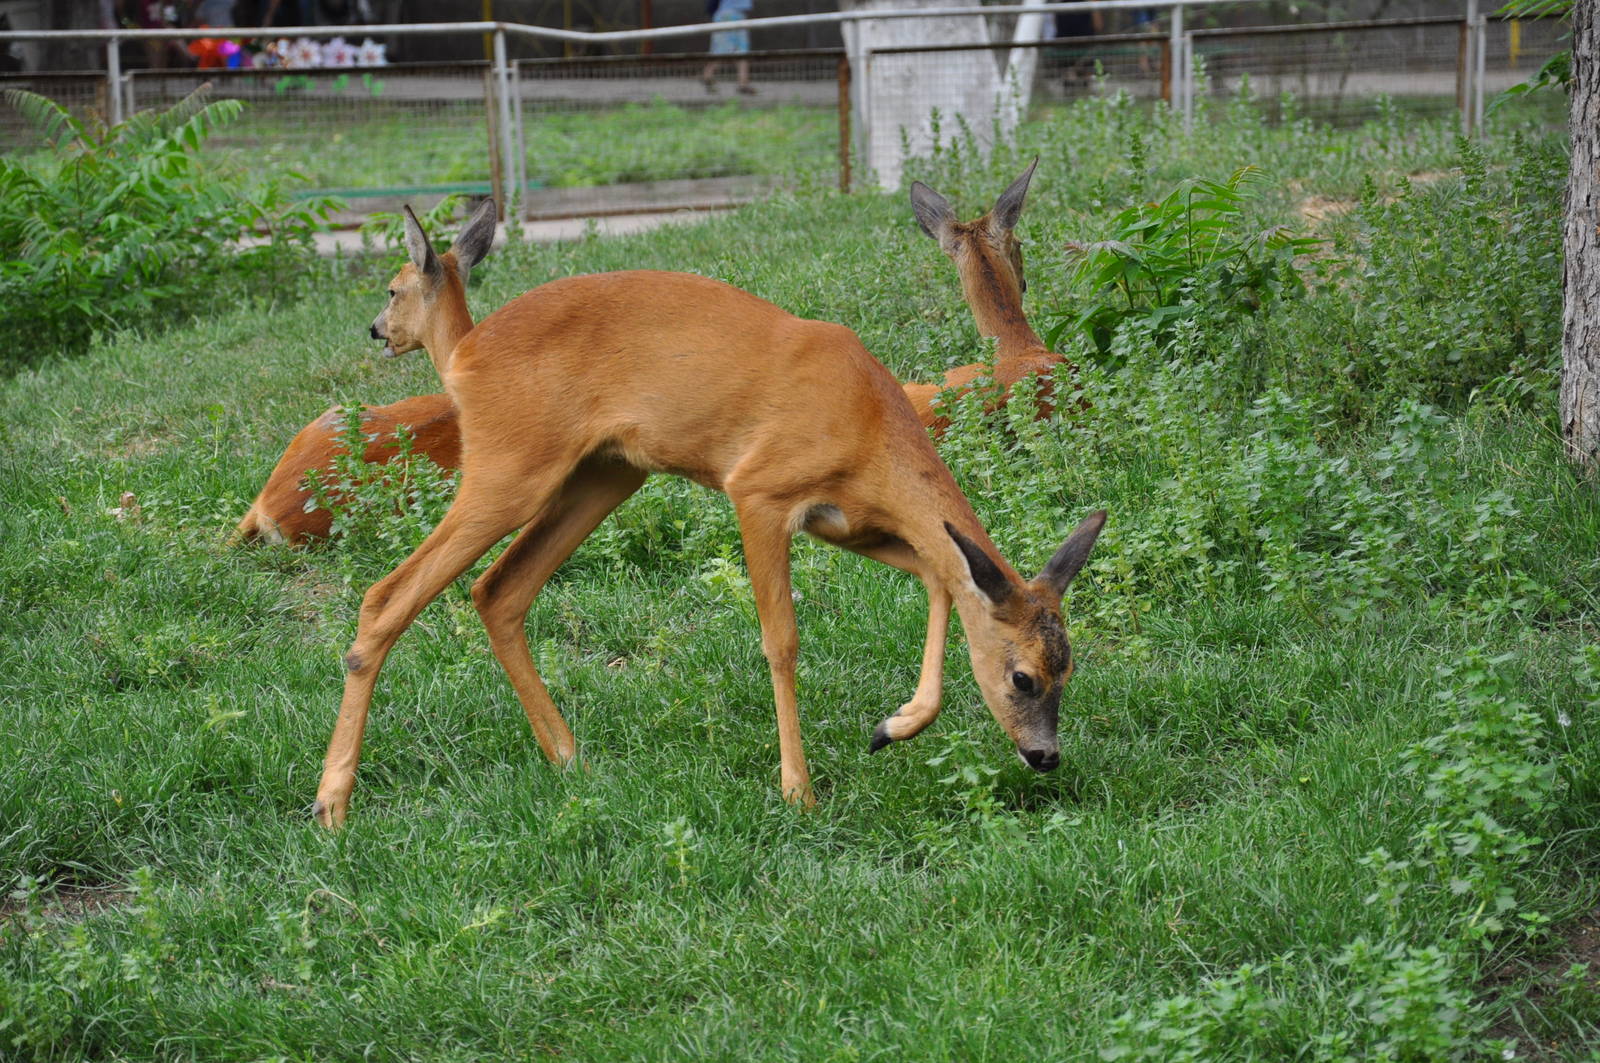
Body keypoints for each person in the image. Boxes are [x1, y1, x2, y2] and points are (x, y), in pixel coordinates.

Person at [701, 0, 754, 96]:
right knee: (725, 50)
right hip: (729, 16)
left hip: (735, 15)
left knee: (740, 51)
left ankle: (743, 82)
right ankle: (708, 76)